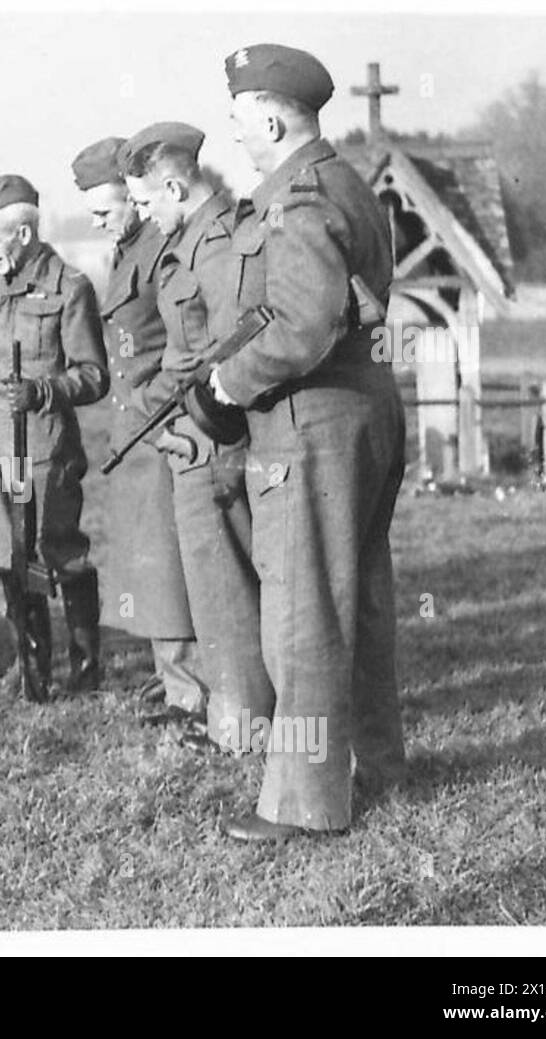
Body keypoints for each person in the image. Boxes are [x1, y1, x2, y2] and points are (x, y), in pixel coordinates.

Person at [210, 44, 407, 840]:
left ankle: (303, 801)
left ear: (270, 115)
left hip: (309, 423)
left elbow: (304, 322)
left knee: (303, 613)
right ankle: (381, 767)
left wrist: (227, 382)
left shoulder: (296, 198)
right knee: (359, 594)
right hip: (365, 412)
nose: (236, 137)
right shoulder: (346, 183)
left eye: (239, 122)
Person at [119, 122, 276, 750]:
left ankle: (241, 728)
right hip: (192, 430)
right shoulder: (192, 242)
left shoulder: (215, 247)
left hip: (210, 440)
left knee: (224, 590)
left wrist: (155, 415)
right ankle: (238, 717)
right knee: (216, 589)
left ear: (176, 187)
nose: (142, 213)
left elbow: (213, 354)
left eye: (145, 200)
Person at [69, 135, 206, 719]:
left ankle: (192, 690)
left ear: (133, 195)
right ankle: (170, 676)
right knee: (146, 564)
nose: (100, 224)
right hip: (137, 431)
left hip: (166, 424)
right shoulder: (129, 249)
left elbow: (184, 343)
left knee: (171, 566)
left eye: (106, 211)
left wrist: (149, 406)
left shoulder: (163, 246)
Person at [0, 173, 109, 695]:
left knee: (60, 555)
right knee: (6, 560)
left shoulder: (71, 289)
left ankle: (87, 672)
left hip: (47, 451)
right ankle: (32, 672)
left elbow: (94, 375)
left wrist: (43, 391)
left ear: (22, 235)